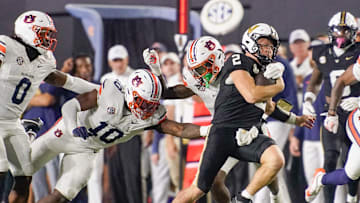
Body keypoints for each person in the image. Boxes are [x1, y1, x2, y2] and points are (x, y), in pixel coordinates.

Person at [147, 24, 313, 203]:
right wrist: (156, 71)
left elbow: (268, 106)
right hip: (223, 132)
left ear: (218, 59)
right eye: (196, 69)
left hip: (252, 129)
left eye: (204, 67)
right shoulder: (201, 80)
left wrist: (295, 119)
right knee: (214, 182)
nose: (200, 74)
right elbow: (166, 92)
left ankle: (274, 197)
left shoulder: (241, 69)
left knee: (271, 166)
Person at [29, 69, 208, 203]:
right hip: (66, 133)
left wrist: (206, 131)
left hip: (87, 149)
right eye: (143, 103)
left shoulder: (150, 116)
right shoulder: (110, 93)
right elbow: (70, 106)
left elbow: (179, 129)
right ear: (130, 93)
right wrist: (73, 128)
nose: (146, 109)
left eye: (151, 104)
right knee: (22, 169)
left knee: (60, 196)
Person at [0, 10, 99, 203]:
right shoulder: (6, 45)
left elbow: (67, 81)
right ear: (29, 31)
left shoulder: (45, 60)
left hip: (13, 122)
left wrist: (99, 89)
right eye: (44, 33)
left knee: (24, 178)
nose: (48, 38)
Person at [302, 11, 360, 203]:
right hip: (333, 112)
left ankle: (352, 198)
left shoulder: (357, 51)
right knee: (330, 157)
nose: (341, 35)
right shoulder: (322, 52)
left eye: (345, 31)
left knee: (350, 161)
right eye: (338, 30)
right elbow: (317, 81)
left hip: (354, 112)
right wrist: (308, 100)